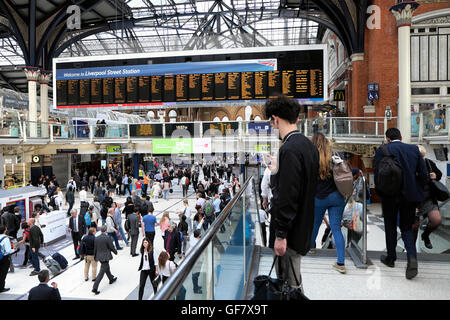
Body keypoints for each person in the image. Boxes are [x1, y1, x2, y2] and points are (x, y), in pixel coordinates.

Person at [264, 94, 319, 292]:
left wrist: (280, 234)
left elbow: (288, 197)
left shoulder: (288, 150)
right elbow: (304, 183)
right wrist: (280, 169)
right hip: (303, 226)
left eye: (272, 122)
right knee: (294, 278)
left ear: (276, 119)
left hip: (289, 233)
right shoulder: (308, 146)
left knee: (287, 285)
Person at [374, 128, 428, 280]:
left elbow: (378, 173)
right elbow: (423, 175)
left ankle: (391, 258)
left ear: (388, 139)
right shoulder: (413, 149)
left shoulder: (382, 150)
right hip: (409, 195)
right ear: (401, 137)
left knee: (390, 225)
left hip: (389, 195)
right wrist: (417, 189)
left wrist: (381, 192)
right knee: (406, 227)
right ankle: (412, 258)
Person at [309, 133, 347, 273]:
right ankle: (341, 263)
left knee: (315, 225)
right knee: (336, 229)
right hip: (337, 197)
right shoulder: (336, 156)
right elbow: (345, 172)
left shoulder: (312, 158)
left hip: (319, 197)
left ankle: (311, 248)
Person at [413, 145, 443, 250]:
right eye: (419, 157)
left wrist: (435, 175)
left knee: (436, 220)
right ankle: (411, 250)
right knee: (414, 226)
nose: (422, 159)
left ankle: (425, 236)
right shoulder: (409, 165)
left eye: (423, 156)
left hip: (429, 198)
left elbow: (439, 174)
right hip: (414, 200)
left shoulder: (429, 163)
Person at [92, 225, 118, 295]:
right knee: (102, 272)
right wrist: (115, 252)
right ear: (106, 230)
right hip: (105, 257)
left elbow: (95, 248)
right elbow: (111, 246)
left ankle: (111, 279)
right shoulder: (107, 238)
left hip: (99, 257)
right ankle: (95, 287)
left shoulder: (96, 238)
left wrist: (95, 257)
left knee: (106, 267)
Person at [0, 225, 18, 293]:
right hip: (4, 258)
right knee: (3, 273)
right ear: (5, 231)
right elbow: (8, 251)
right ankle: (1, 288)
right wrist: (14, 250)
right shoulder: (5, 239)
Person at [187, 229, 202, 294]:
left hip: (193, 259)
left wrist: (201, 222)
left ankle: (196, 286)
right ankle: (195, 289)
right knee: (195, 274)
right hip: (196, 260)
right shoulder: (197, 243)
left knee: (196, 274)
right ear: (198, 236)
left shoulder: (192, 237)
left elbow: (197, 228)